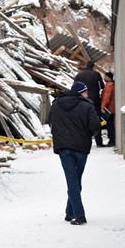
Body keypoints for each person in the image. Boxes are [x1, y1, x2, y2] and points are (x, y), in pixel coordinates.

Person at [49, 81, 101, 225]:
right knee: (75, 181)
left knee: (74, 181)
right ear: (80, 92)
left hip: (64, 148)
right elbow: (95, 126)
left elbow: (50, 123)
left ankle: (69, 212)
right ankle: (80, 215)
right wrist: (89, 134)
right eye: (86, 92)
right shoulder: (87, 106)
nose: (87, 94)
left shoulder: (56, 105)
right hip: (81, 148)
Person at [74, 61, 104, 147]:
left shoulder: (79, 75)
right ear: (93, 67)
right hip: (94, 100)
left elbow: (74, 87)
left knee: (82, 121)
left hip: (81, 100)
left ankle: (82, 141)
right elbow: (101, 86)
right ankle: (99, 142)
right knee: (96, 120)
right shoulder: (96, 74)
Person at [100, 72, 115, 147]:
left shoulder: (109, 85)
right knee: (111, 124)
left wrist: (103, 106)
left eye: (105, 76)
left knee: (110, 125)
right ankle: (112, 140)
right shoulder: (112, 84)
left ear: (109, 77)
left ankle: (112, 140)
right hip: (111, 108)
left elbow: (106, 97)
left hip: (109, 109)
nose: (104, 78)